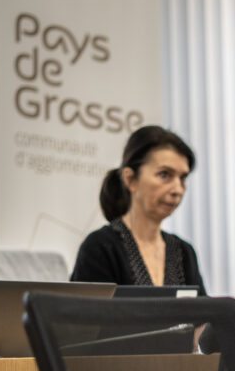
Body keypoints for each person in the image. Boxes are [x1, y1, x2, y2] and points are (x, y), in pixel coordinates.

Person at [71, 125, 205, 291]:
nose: (177, 189)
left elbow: (203, 308)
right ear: (130, 179)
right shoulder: (100, 247)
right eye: (164, 174)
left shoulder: (184, 252)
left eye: (182, 178)